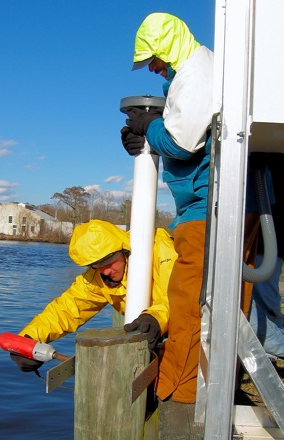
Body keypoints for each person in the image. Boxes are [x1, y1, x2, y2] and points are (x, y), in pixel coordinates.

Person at [121, 12, 260, 403]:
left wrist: (148, 127)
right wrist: (145, 132)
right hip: (228, 203)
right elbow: (185, 128)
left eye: (154, 58)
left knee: (187, 299)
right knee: (230, 299)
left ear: (167, 48)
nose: (152, 67)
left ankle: (178, 393)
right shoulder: (202, 69)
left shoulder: (195, 73)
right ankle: (218, 382)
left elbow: (182, 143)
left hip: (211, 208)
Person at [10, 219, 177, 372]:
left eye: (109, 261)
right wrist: (27, 340)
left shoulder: (160, 248)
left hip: (184, 330)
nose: (105, 270)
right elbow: (66, 309)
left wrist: (156, 317)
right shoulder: (97, 279)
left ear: (122, 248)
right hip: (152, 336)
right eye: (97, 265)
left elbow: (177, 294)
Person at [249, 153, 284, 358]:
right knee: (264, 303)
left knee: (266, 304)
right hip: (263, 235)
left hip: (267, 236)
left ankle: (274, 345)